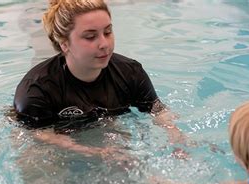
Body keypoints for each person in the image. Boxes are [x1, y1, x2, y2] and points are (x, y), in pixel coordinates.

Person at [13, 0, 188, 156]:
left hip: (104, 126)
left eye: (108, 32)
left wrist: (175, 135)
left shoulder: (130, 72)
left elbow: (158, 110)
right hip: (58, 140)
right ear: (64, 44)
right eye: (90, 37)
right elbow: (39, 134)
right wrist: (92, 152)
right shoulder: (37, 90)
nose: (104, 44)